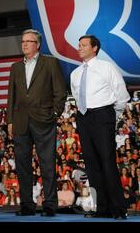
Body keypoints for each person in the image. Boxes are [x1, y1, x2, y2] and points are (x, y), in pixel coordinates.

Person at [7, 29, 67, 217]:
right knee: (23, 165)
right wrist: (9, 121)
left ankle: (50, 204)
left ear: (37, 44)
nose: (24, 44)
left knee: (47, 163)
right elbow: (12, 97)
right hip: (20, 122)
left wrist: (55, 113)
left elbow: (60, 91)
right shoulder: (15, 67)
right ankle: (27, 205)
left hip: (44, 120)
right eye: (23, 41)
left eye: (29, 41)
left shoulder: (50, 62)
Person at [70, 35, 130, 219]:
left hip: (103, 115)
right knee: (91, 164)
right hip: (84, 118)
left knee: (107, 161)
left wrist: (112, 115)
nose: (79, 48)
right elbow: (77, 96)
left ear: (94, 48)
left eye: (84, 45)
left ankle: (118, 208)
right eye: (79, 45)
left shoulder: (107, 67)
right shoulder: (75, 73)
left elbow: (121, 94)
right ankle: (102, 207)